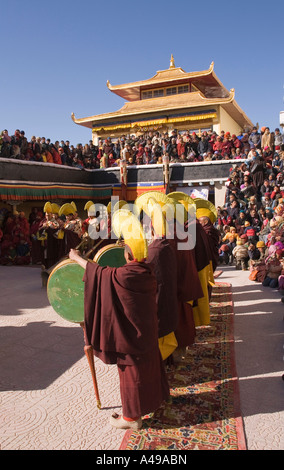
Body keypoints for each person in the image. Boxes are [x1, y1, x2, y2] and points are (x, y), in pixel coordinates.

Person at [69, 211, 169, 430]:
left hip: (131, 339)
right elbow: (106, 274)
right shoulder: (146, 270)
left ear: (128, 254)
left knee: (132, 375)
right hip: (147, 333)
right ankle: (152, 402)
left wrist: (76, 258)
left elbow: (100, 273)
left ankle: (132, 418)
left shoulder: (125, 275)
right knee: (149, 368)